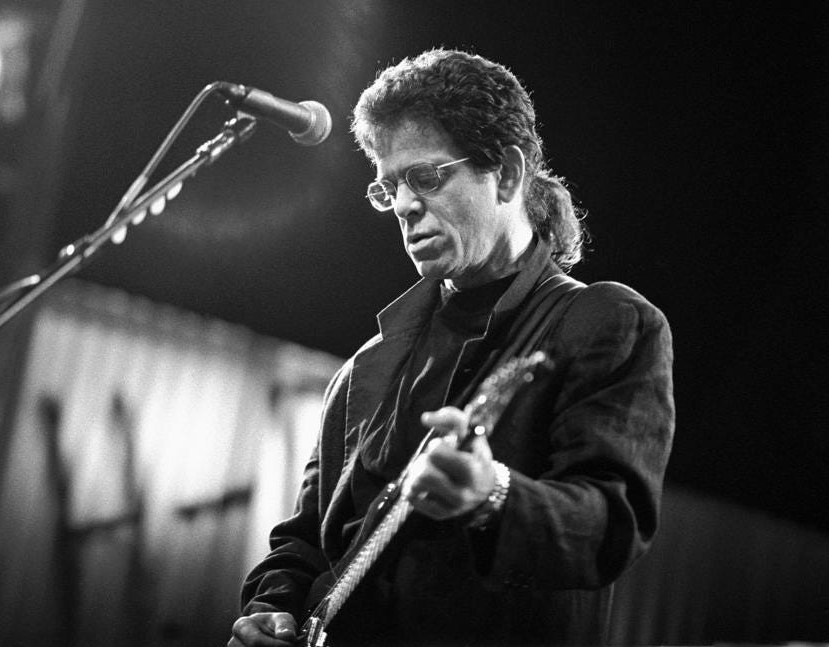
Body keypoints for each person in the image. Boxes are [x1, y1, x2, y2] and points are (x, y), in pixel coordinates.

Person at [228, 48, 674, 646]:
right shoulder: (363, 369)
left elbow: (610, 527)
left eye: (426, 177)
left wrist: (493, 496)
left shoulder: (605, 322)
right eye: (389, 187)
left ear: (507, 174)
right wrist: (272, 606)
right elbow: (304, 540)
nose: (404, 205)